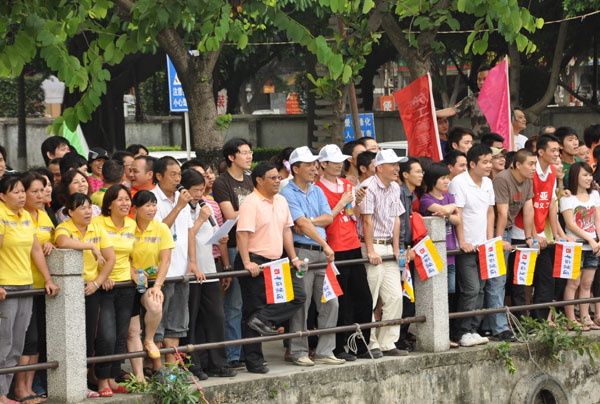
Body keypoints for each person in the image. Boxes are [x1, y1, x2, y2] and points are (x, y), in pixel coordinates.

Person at [236, 162, 306, 373]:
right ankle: (255, 361)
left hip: (277, 261)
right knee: (253, 311)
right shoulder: (251, 202)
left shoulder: (282, 200)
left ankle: (263, 320)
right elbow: (242, 233)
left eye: (278, 177)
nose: (277, 181)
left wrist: (293, 258)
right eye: (272, 178)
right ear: (259, 180)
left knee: (297, 295)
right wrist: (247, 261)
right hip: (256, 260)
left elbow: (286, 231)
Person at [281, 146, 343, 366]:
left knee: (330, 301)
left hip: (320, 253)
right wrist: (324, 243)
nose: (314, 168)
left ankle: (325, 351)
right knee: (302, 304)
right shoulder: (287, 192)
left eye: (314, 164)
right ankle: (299, 351)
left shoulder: (316, 190)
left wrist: (310, 221)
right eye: (308, 165)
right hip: (302, 252)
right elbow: (299, 224)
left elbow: (327, 218)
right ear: (295, 168)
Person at [0, 174, 59, 404]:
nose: (22, 196)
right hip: (7, 287)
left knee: (17, 344)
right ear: (2, 196)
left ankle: (5, 392)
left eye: (22, 191)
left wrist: (47, 279)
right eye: (15, 192)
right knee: (3, 342)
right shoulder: (1, 215)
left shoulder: (25, 216)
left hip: (25, 285)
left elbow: (35, 250)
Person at [54, 193, 115, 398]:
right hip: (71, 290)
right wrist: (90, 246)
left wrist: (98, 282)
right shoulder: (64, 227)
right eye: (81, 208)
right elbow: (62, 242)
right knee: (77, 337)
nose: (88, 211)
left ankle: (94, 379)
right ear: (70, 212)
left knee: (96, 335)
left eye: (89, 207)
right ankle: (82, 383)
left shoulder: (98, 226)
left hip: (92, 288)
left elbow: (111, 258)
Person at [315, 145, 372, 361]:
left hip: (352, 244)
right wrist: (342, 202)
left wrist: (356, 200)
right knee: (342, 300)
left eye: (341, 161)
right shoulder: (318, 188)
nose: (339, 165)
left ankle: (361, 343)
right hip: (334, 247)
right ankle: (340, 346)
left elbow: (353, 214)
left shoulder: (347, 184)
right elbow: (326, 217)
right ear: (323, 164)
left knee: (363, 297)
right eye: (334, 161)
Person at [180, 169, 236, 379]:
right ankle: (194, 364)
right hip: (189, 270)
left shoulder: (208, 206)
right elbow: (185, 236)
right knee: (192, 320)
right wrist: (200, 221)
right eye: (195, 191)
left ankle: (217, 362)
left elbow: (210, 236)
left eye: (202, 190)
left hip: (210, 269)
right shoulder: (181, 209)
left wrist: (220, 239)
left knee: (215, 317)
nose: (199, 195)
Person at [357, 149, 406, 357]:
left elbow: (397, 218)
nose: (396, 168)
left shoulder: (395, 187)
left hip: (388, 245)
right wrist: (370, 250)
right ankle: (370, 342)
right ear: (379, 168)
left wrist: (396, 247)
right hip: (373, 244)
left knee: (395, 296)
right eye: (392, 165)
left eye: (397, 164)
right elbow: (366, 220)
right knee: (372, 295)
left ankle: (388, 342)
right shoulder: (367, 186)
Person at [212, 138, 254, 369]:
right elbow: (230, 216)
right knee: (234, 304)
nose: (249, 157)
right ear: (231, 157)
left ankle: (249, 351)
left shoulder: (250, 180)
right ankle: (232, 354)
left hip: (253, 244)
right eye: (244, 153)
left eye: (250, 152)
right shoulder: (222, 182)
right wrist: (254, 210)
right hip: (234, 245)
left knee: (251, 304)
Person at [92, 185, 137, 397]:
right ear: (109, 204)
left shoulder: (131, 224)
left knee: (120, 335)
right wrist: (103, 276)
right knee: (106, 335)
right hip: (105, 286)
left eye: (127, 199)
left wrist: (134, 270)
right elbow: (92, 253)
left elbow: (129, 255)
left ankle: (112, 377)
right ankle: (101, 381)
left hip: (126, 286)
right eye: (119, 199)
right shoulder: (98, 223)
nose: (125, 203)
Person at [448, 144, 495, 347]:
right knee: (471, 289)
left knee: (482, 289)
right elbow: (457, 213)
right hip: (465, 247)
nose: (489, 165)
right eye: (484, 162)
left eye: (490, 161)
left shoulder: (487, 183)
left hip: (484, 245)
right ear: (472, 164)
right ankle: (462, 331)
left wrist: (490, 239)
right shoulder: (459, 183)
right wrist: (463, 241)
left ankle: (474, 329)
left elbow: (490, 212)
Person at [151, 156, 195, 366]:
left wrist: (192, 262)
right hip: (160, 271)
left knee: (177, 323)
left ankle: (173, 370)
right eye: (173, 174)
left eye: (179, 174)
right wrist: (178, 207)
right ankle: (158, 370)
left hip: (181, 270)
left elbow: (188, 233)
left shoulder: (182, 198)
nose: (178, 179)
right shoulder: (151, 200)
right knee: (157, 324)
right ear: (158, 176)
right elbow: (159, 232)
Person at [129, 191, 174, 378]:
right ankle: (138, 377)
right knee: (131, 331)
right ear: (136, 209)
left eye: (154, 204)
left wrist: (158, 286)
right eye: (147, 205)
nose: (152, 209)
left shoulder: (161, 228)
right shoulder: (128, 227)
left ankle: (149, 340)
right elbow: (123, 254)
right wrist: (134, 273)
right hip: (129, 281)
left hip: (153, 281)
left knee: (155, 306)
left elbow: (166, 260)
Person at [492, 149, 536, 339]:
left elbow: (528, 210)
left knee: (504, 279)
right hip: (495, 231)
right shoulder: (503, 179)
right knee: (498, 280)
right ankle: (499, 328)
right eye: (530, 164)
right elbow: (501, 212)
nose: (534, 168)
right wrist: (499, 239)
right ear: (517, 165)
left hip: (508, 231)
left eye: (535, 164)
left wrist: (529, 237)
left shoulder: (527, 180)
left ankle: (502, 324)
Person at [419, 163, 460, 346]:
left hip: (451, 252)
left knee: (450, 294)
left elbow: (458, 219)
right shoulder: (426, 199)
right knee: (438, 295)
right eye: (442, 178)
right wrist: (450, 209)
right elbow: (447, 211)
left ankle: (449, 333)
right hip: (435, 256)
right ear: (433, 180)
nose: (446, 181)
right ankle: (444, 335)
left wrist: (448, 211)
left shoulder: (449, 196)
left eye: (447, 178)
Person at [560, 162, 600, 330]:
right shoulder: (567, 197)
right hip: (575, 246)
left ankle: (585, 318)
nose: (588, 178)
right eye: (584, 175)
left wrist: (598, 240)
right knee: (573, 284)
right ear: (575, 176)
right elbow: (570, 224)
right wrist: (590, 240)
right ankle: (570, 319)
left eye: (590, 175)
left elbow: (597, 219)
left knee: (586, 284)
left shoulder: (595, 195)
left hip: (592, 246)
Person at [397, 157, 423, 350]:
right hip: (403, 249)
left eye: (422, 172)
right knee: (402, 295)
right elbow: (401, 224)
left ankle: (403, 334)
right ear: (405, 174)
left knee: (409, 295)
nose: (421, 175)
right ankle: (397, 337)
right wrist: (403, 247)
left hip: (411, 249)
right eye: (417, 172)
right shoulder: (400, 193)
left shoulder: (413, 195)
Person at [437, 65, 491, 136]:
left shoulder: (503, 100)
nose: (481, 82)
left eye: (485, 79)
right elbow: (452, 110)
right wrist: (429, 112)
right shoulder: (471, 99)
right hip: (478, 144)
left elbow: (510, 125)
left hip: (498, 145)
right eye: (479, 79)